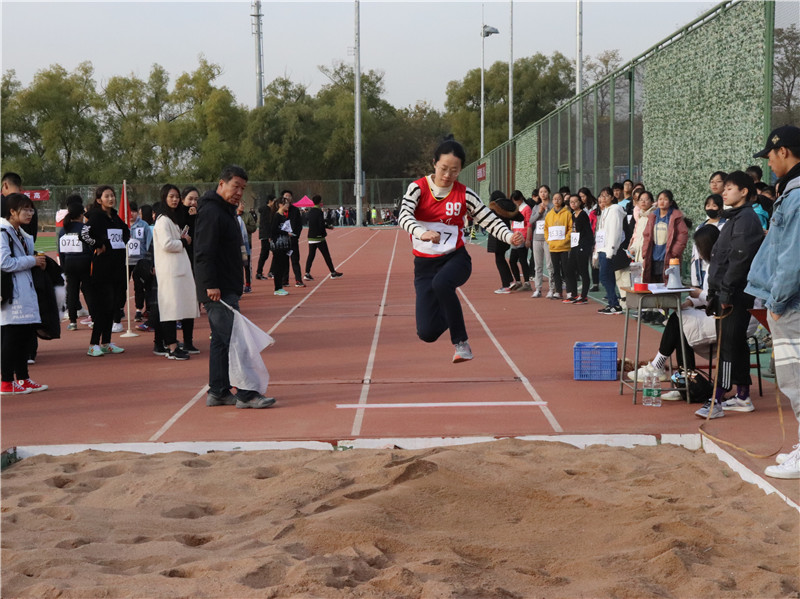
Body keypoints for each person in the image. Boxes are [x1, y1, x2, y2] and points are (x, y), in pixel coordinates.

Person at [398, 138, 522, 363]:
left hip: (455, 260)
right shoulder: (418, 188)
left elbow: (489, 219)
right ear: (434, 163)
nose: (448, 175)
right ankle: (450, 313)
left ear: (460, 170)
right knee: (426, 333)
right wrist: (421, 232)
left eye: (454, 171)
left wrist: (508, 236)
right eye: (444, 168)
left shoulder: (465, 194)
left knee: (442, 283)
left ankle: (461, 343)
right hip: (424, 266)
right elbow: (404, 215)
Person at [194, 165, 275, 409]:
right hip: (217, 290)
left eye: (243, 188)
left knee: (221, 342)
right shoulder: (212, 212)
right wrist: (210, 285)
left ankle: (218, 391)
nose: (239, 192)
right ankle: (247, 394)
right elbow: (203, 251)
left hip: (226, 286)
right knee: (237, 341)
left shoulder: (226, 212)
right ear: (222, 184)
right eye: (235, 186)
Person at [746, 124, 800, 478]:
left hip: (792, 304)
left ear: (784, 151)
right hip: (790, 301)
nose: (768, 163)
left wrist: (777, 303)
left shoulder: (796, 195)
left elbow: (792, 256)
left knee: (796, 378)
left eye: (770, 156)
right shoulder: (791, 192)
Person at [695, 171, 764, 419]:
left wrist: (724, 293)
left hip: (735, 295)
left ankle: (718, 397)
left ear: (744, 192)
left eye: (729, 188)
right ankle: (743, 395)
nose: (723, 192)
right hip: (729, 292)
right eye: (723, 188)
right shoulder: (735, 217)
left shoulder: (746, 219)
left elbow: (739, 260)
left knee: (726, 347)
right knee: (736, 344)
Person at [1, 193, 48, 394]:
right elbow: (4, 262)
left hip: (24, 291)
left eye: (31, 209)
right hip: (11, 294)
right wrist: (32, 261)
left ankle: (23, 378)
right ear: (12, 212)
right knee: (11, 338)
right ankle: (6, 382)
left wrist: (37, 261)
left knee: (23, 338)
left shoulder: (20, 233)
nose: (30, 213)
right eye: (25, 209)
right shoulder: (3, 232)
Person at [80, 185, 129, 356]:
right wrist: (98, 244)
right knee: (103, 306)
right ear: (99, 200)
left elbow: (126, 232)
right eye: (107, 196)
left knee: (113, 306)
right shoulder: (95, 216)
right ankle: (93, 344)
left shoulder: (115, 217)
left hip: (117, 267)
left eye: (112, 195)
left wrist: (122, 242)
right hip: (102, 268)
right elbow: (83, 235)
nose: (111, 198)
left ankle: (106, 342)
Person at [152, 184, 198, 361]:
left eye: (177, 196)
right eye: (171, 196)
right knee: (169, 308)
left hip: (179, 268)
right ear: (164, 198)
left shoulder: (174, 219)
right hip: (169, 270)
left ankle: (178, 344)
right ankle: (171, 347)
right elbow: (167, 244)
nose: (175, 199)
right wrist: (184, 242)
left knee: (180, 306)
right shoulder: (163, 220)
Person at [57, 198, 93, 331]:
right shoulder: (85, 229)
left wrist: (63, 267)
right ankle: (93, 318)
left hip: (69, 264)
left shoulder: (63, 230)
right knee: (88, 290)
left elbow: (61, 251)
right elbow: (90, 248)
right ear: (81, 215)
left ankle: (72, 321)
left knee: (72, 292)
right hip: (84, 263)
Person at [640, 190, 689, 284]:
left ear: (670, 202)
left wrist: (674, 252)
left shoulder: (675, 217)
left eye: (665, 199)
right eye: (660, 199)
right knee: (653, 284)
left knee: (667, 284)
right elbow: (646, 235)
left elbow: (683, 235)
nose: (662, 202)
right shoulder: (653, 216)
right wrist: (645, 251)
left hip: (669, 257)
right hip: (653, 257)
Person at [593, 187, 625, 314]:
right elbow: (601, 232)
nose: (603, 198)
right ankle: (612, 303)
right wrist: (596, 252)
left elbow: (615, 231)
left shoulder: (615, 210)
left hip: (609, 250)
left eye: (606, 196)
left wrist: (611, 249)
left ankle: (615, 303)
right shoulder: (604, 211)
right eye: (601, 196)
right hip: (602, 248)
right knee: (607, 276)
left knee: (604, 276)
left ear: (612, 197)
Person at [487, 190, 520, 294]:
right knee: (501, 258)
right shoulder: (508, 206)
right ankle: (510, 281)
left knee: (499, 260)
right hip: (506, 235)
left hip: (497, 235)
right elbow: (520, 217)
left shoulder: (494, 207)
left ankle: (506, 284)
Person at [689, 194, 726, 288]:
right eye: (708, 205)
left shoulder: (725, 225)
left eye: (714, 206)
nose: (710, 208)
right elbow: (695, 250)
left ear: (720, 207)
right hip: (701, 267)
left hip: (716, 267)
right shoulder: (700, 227)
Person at [304, 194, 343, 280]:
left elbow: (312, 222)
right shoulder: (319, 212)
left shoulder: (310, 212)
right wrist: (326, 230)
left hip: (311, 236)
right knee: (326, 255)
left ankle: (307, 273)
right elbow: (321, 224)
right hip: (319, 237)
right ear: (319, 202)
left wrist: (326, 226)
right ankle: (333, 273)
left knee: (311, 255)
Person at [564, 193, 592, 304]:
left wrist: (586, 246)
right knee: (569, 269)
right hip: (575, 244)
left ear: (580, 202)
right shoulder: (572, 215)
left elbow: (587, 232)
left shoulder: (583, 214)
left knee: (583, 270)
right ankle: (574, 294)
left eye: (575, 202)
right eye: (571, 202)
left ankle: (584, 296)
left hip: (583, 245)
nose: (573, 204)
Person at [526, 185, 554, 298]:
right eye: (541, 192)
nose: (543, 194)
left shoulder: (553, 206)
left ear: (549, 193)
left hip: (548, 239)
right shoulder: (536, 207)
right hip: (537, 239)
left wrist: (546, 211)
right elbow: (531, 221)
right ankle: (538, 289)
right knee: (537, 266)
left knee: (550, 265)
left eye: (545, 191)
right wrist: (539, 212)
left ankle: (552, 289)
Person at [544, 192, 572, 300]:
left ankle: (569, 291)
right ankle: (558, 291)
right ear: (552, 200)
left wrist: (566, 239)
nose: (557, 200)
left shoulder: (567, 213)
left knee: (566, 270)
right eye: (555, 199)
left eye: (559, 198)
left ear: (562, 200)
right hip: (553, 247)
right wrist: (549, 241)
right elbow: (546, 229)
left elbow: (570, 228)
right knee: (555, 270)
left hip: (564, 247)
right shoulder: (549, 214)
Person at [127, 201, 153, 323]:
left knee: (140, 286)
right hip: (126, 261)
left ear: (138, 212)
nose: (131, 214)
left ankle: (139, 310)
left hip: (140, 260)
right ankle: (120, 309)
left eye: (133, 211)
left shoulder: (144, 225)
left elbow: (149, 243)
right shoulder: (122, 225)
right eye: (129, 212)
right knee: (122, 286)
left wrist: (148, 260)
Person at [280, 190, 305, 288]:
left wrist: (295, 235)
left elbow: (299, 225)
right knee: (284, 261)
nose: (287, 198)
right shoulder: (279, 211)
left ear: (291, 198)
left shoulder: (295, 210)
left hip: (293, 240)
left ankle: (298, 280)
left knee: (295, 260)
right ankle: (284, 281)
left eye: (289, 196)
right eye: (285, 196)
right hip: (283, 240)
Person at [508, 190, 531, 291]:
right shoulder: (515, 208)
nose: (515, 202)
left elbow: (529, 224)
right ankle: (517, 281)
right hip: (515, 237)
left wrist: (528, 239)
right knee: (512, 260)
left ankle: (527, 282)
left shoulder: (526, 208)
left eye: (516, 200)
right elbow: (513, 222)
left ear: (521, 199)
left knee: (522, 260)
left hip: (523, 237)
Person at [269, 196, 292, 296]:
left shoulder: (283, 216)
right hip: (278, 245)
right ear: (280, 205)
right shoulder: (277, 216)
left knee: (282, 266)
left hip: (284, 244)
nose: (288, 205)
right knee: (278, 267)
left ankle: (280, 287)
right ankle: (277, 288)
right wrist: (286, 232)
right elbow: (273, 230)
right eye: (286, 203)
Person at [255, 194, 275, 280]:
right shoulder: (266, 210)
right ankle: (261, 272)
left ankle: (267, 272)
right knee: (265, 254)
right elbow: (266, 224)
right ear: (270, 201)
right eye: (274, 201)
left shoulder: (270, 210)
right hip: (266, 236)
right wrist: (269, 236)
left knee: (267, 254)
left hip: (266, 235)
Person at [236, 201, 254, 293]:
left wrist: (243, 225)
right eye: (240, 204)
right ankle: (239, 284)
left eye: (243, 204)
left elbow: (253, 227)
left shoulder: (247, 216)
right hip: (235, 246)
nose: (242, 206)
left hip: (246, 245)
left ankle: (248, 284)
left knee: (246, 265)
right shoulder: (232, 216)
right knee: (237, 267)